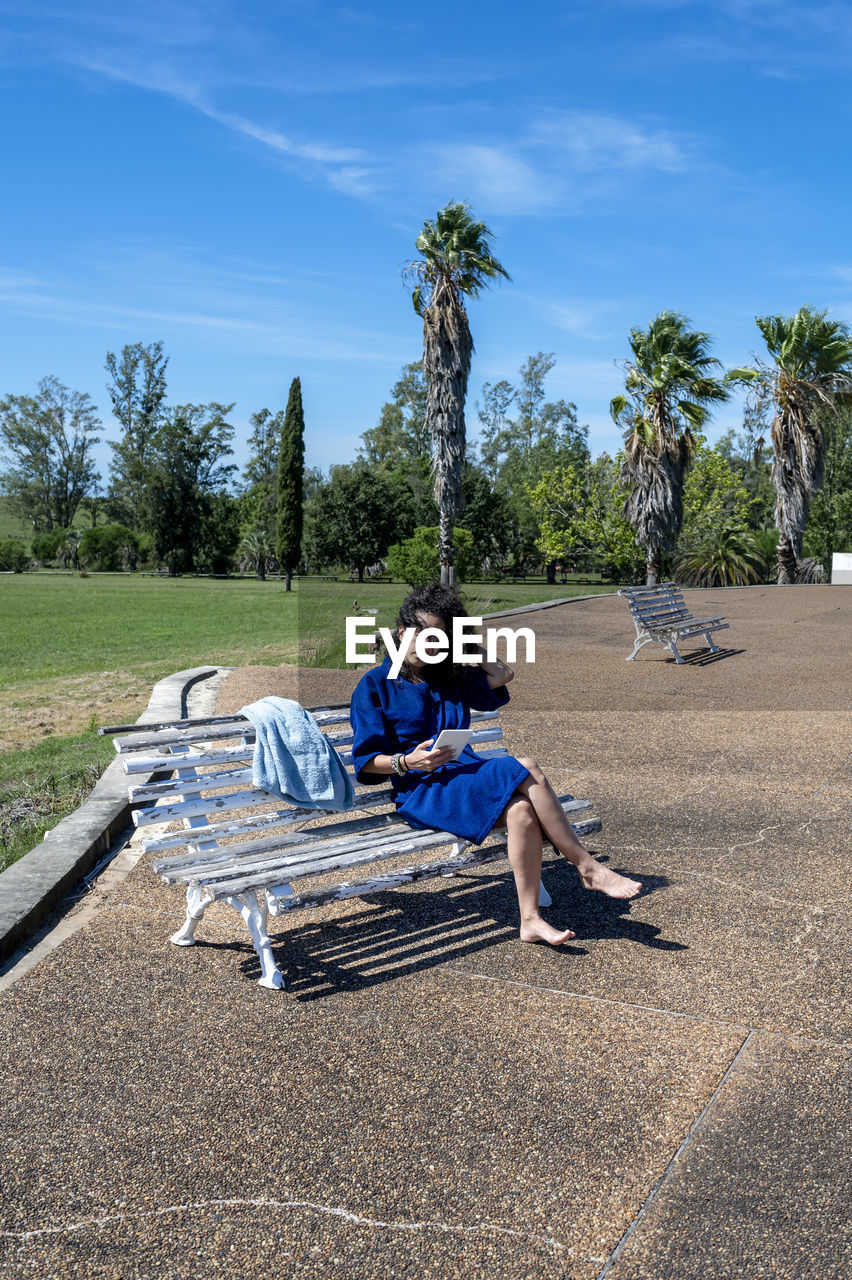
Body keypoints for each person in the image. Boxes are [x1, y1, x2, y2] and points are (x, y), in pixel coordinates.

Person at [348, 583, 641, 947]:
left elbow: (503, 675)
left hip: (463, 775)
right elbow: (366, 762)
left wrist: (463, 643)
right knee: (526, 765)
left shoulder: (448, 674)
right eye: (424, 636)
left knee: (521, 812)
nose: (430, 646)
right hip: (422, 789)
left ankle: (531, 920)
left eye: (439, 639)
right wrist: (409, 760)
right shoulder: (374, 685)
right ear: (402, 632)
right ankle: (587, 867)